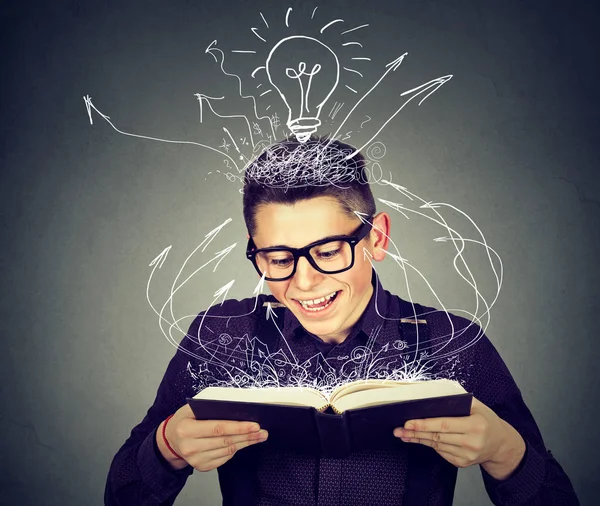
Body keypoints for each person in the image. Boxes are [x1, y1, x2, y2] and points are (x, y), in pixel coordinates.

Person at [105, 137, 579, 505]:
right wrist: (165, 448)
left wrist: (504, 452)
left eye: (328, 251)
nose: (305, 282)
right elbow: (121, 495)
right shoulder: (221, 337)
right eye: (277, 257)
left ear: (377, 238)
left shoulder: (452, 343)